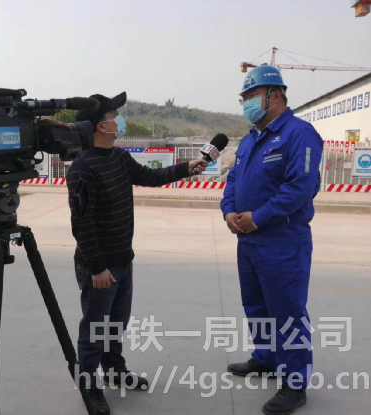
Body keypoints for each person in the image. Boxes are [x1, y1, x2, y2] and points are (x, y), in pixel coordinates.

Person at [67, 92, 207, 415]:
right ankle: (89, 386)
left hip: (123, 260)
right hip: (100, 267)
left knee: (116, 325)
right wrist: (97, 268)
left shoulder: (118, 157)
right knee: (94, 330)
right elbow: (82, 225)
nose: (120, 120)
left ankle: (114, 371)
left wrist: (186, 168)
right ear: (100, 126)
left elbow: (151, 177)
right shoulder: (82, 168)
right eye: (114, 115)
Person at [221, 65, 323, 415]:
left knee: (287, 312)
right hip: (248, 241)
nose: (246, 103)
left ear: (274, 95)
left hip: (283, 241)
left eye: (251, 96)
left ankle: (295, 383)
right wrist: (228, 211)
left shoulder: (299, 134)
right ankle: (266, 357)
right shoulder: (251, 139)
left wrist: (258, 217)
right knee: (256, 306)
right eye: (244, 98)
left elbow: (301, 187)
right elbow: (233, 180)